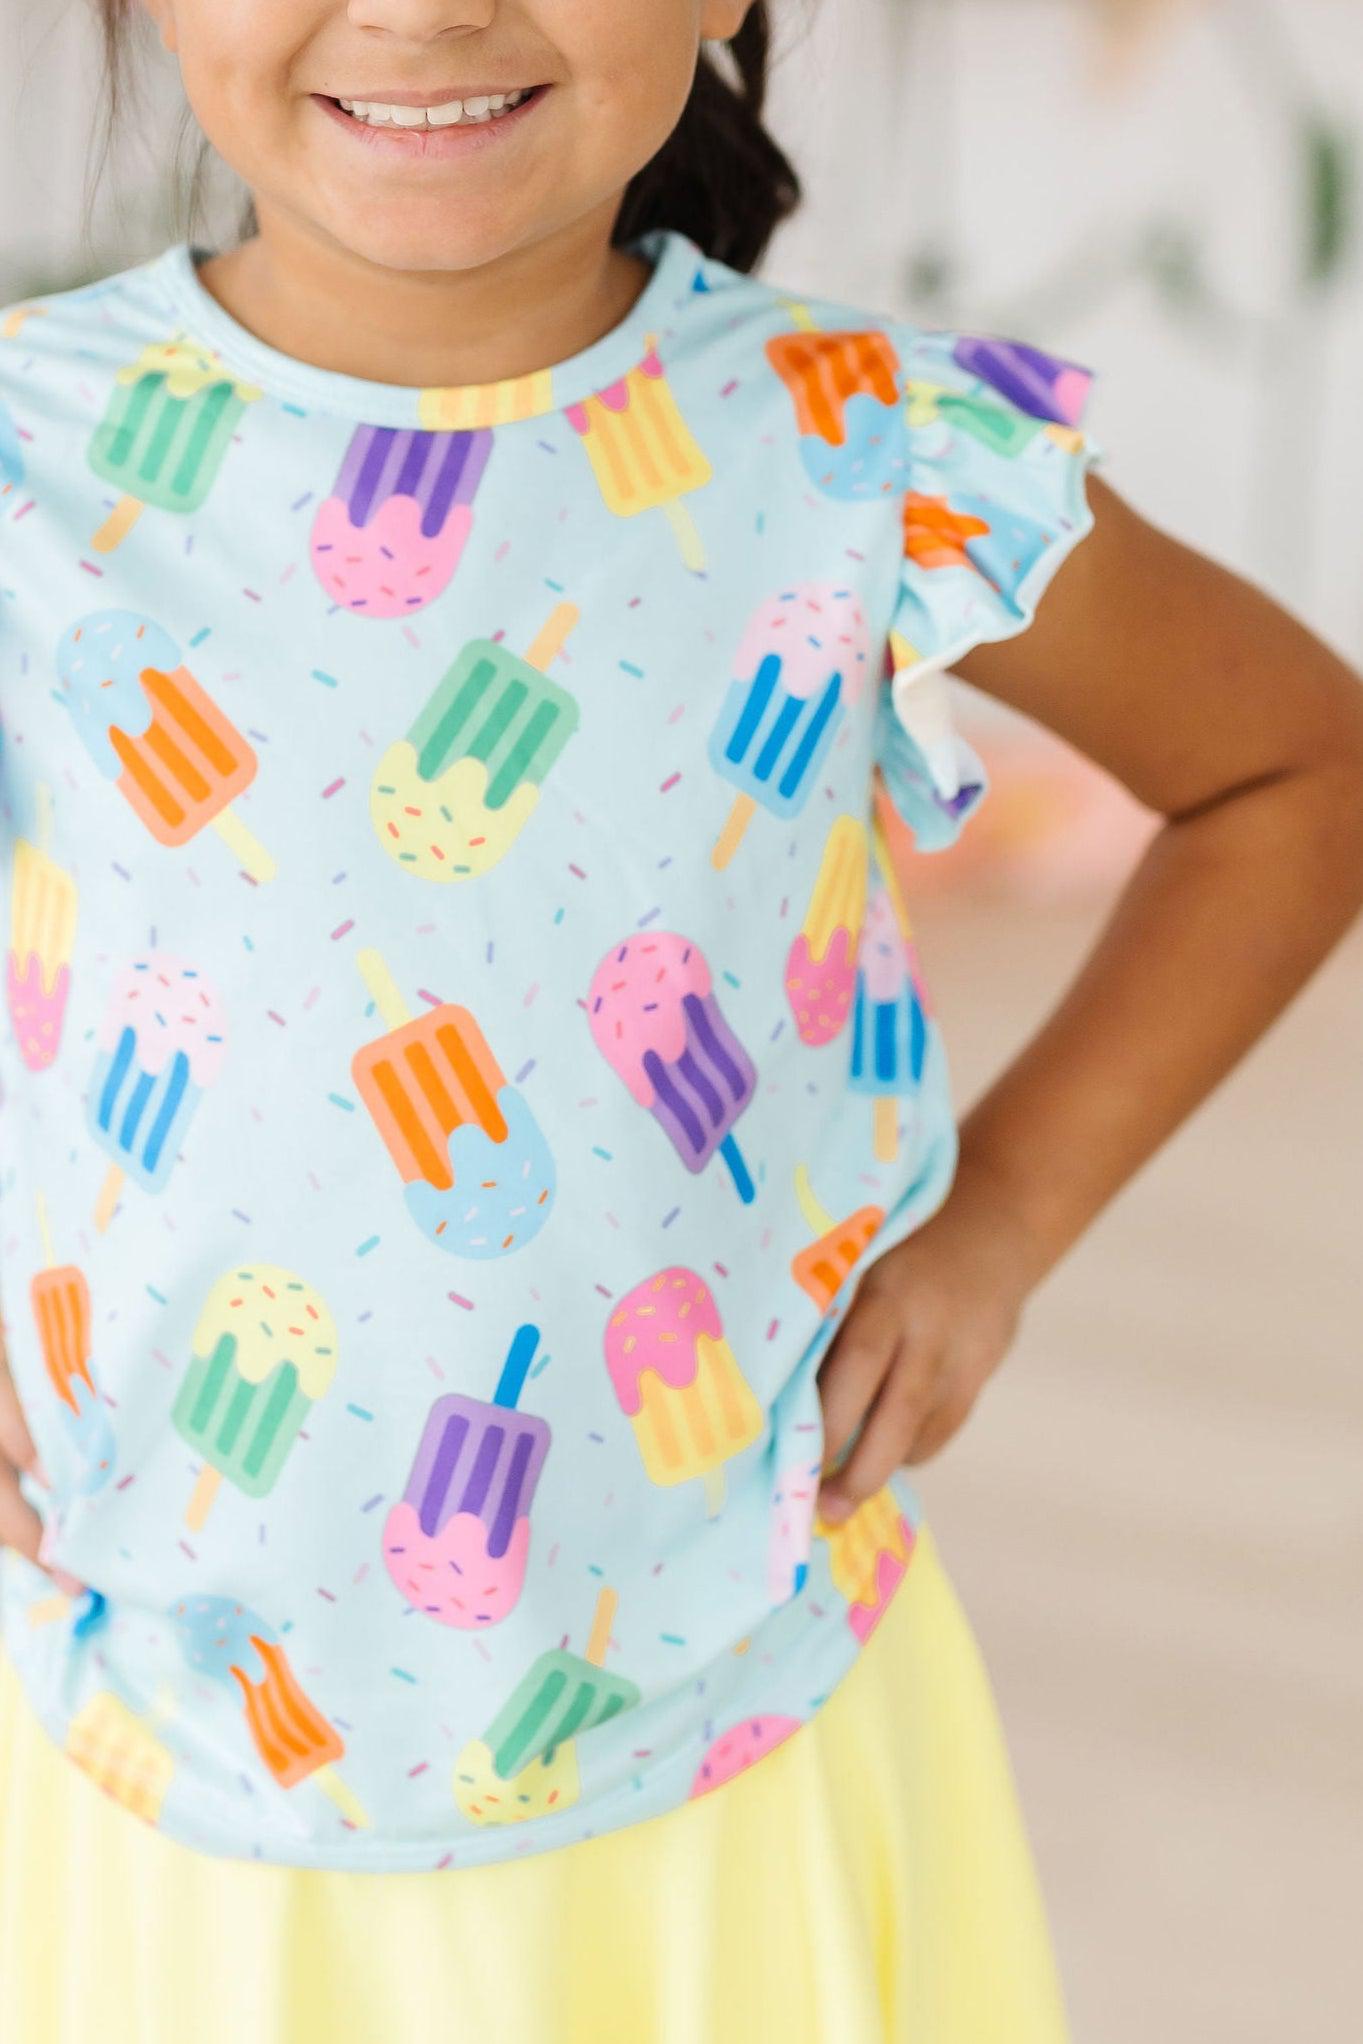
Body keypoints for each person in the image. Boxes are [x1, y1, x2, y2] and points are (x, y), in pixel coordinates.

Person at [1, 4, 1360, 2040]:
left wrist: (1001, 1223)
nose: (422, 9)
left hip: (735, 1750)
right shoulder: (28, 455)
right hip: (177, 1779)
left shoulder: (866, 450)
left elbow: (1296, 774)